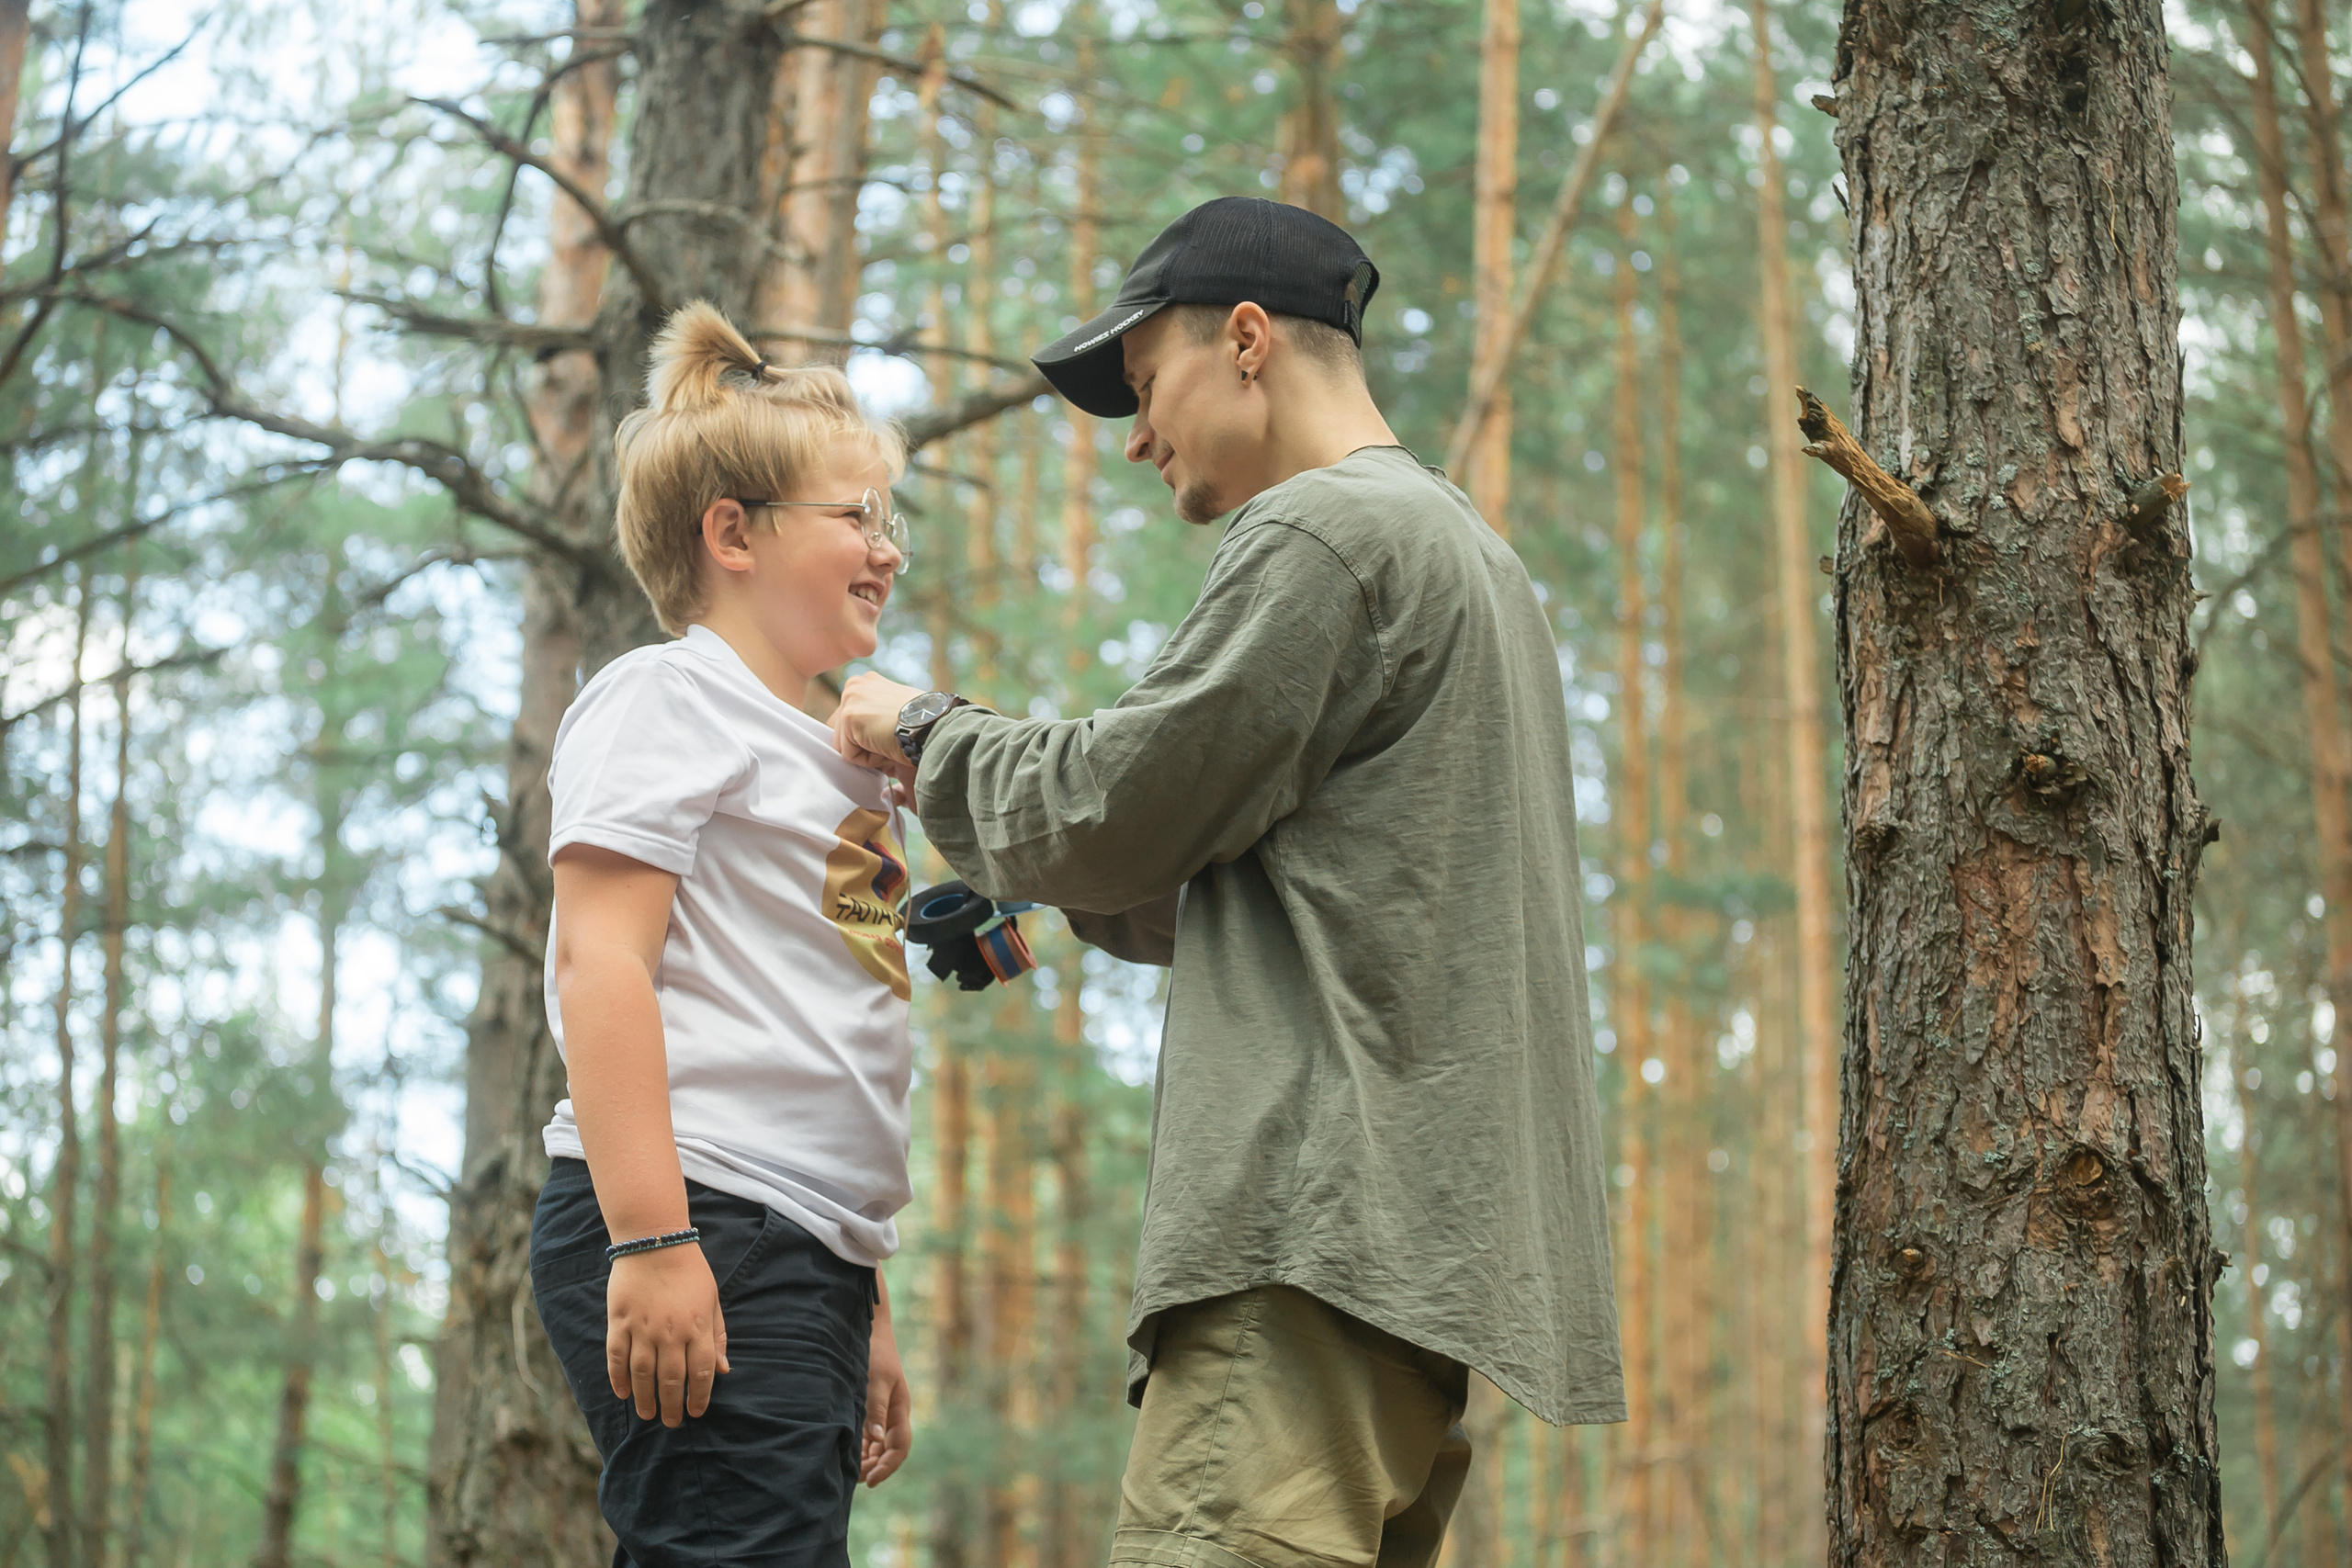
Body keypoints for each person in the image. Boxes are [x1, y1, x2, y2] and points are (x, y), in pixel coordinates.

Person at [832, 197, 1623, 1568]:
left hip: (1304, 1239)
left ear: (1247, 340)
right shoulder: (1472, 560)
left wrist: (918, 731)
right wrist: (1058, 892)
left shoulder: (1324, 534)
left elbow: (1111, 804)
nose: (1136, 437)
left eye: (1145, 389)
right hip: (1421, 1270)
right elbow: (1319, 882)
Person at [529, 300, 918, 1568]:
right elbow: (602, 965)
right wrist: (651, 1236)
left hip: (789, 1245)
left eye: (890, 520)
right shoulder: (666, 697)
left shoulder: (834, 764)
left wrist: (862, 1296)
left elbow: (814, 1035)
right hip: (692, 1213)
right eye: (857, 516)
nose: (888, 550)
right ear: (732, 533)